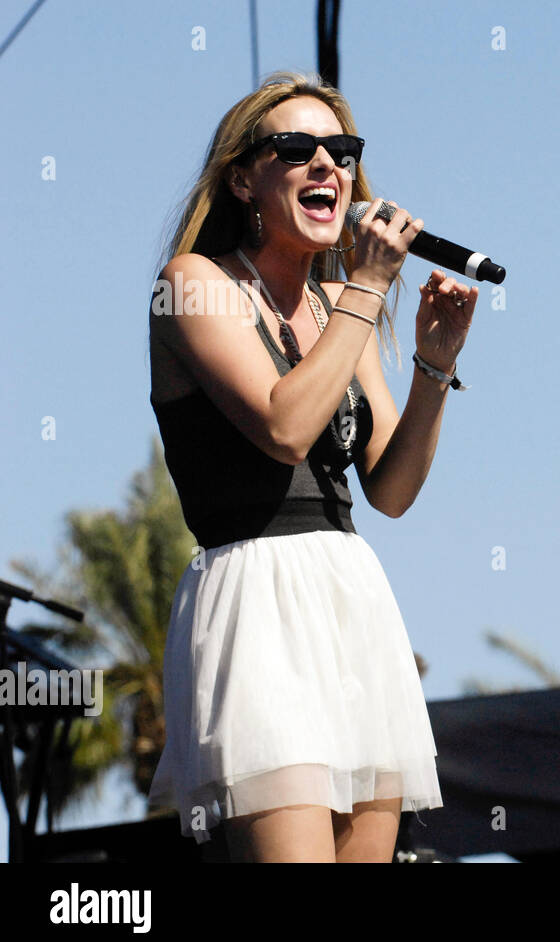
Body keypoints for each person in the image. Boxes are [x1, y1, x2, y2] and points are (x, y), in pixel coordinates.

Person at [146, 71, 477, 861]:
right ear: (242, 177)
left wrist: (433, 366)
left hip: (349, 593)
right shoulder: (195, 285)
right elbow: (285, 427)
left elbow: (391, 490)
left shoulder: (337, 309)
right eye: (297, 148)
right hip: (256, 596)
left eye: (343, 150)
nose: (328, 164)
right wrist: (367, 284)